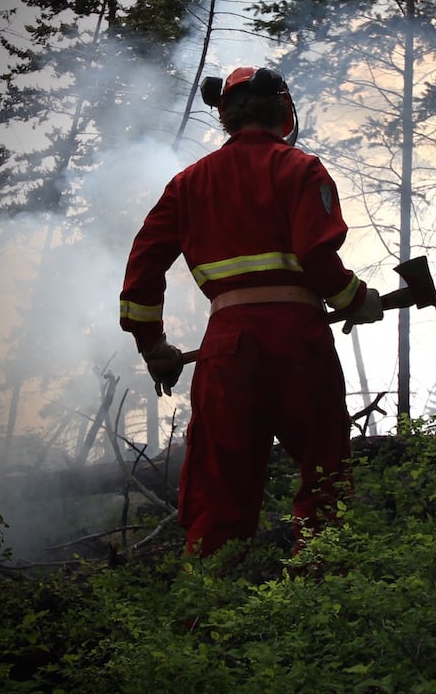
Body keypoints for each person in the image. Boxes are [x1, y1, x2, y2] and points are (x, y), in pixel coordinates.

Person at [118, 66, 383, 558]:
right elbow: (317, 257)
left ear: (225, 118)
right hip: (299, 340)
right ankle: (325, 604)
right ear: (283, 110)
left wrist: (152, 344)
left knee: (218, 489)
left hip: (226, 348)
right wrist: (355, 299)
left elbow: (142, 270)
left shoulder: (188, 184)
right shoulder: (302, 169)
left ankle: (207, 611)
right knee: (324, 475)